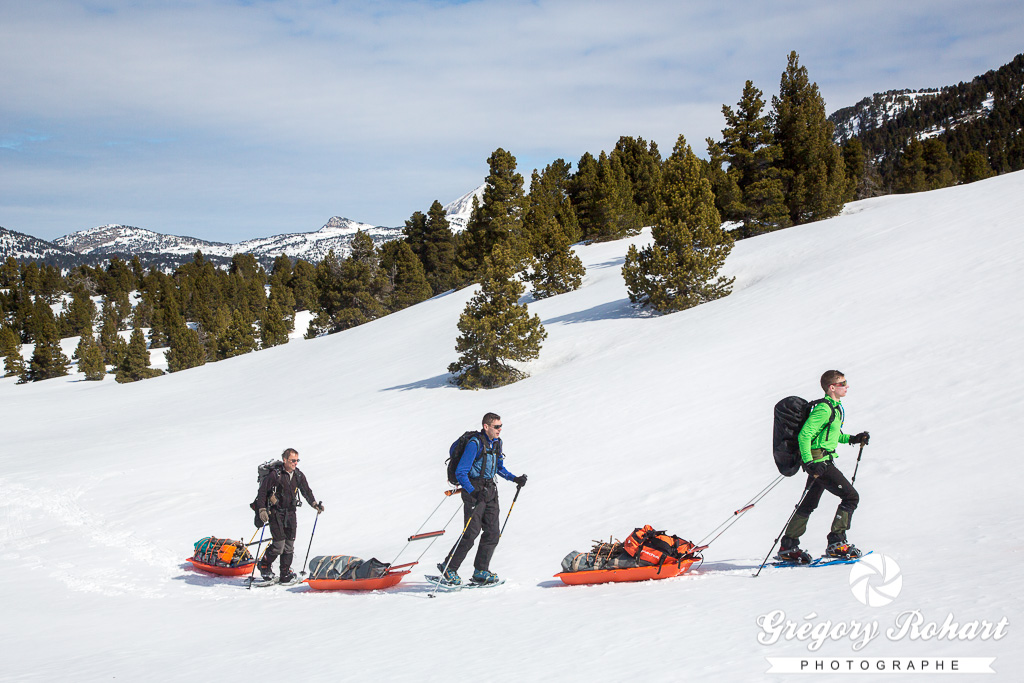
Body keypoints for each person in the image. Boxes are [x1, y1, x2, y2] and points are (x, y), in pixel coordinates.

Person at [777, 371, 870, 563]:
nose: (847, 386)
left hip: (822, 459)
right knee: (851, 497)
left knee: (809, 503)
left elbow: (831, 437)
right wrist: (810, 463)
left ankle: (789, 545)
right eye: (842, 383)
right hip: (819, 461)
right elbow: (805, 435)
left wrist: (853, 439)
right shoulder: (824, 409)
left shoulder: (835, 407)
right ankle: (837, 542)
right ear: (832, 387)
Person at [438, 412, 527, 585]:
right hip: (475, 491)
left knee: (493, 532)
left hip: (491, 491)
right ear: (486, 426)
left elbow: (499, 467)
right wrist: (472, 491)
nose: (500, 429)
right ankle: (448, 567)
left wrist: (514, 478)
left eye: (501, 426)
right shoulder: (475, 444)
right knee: (471, 533)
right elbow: (461, 472)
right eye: (496, 426)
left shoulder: (497, 443)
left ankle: (481, 570)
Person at [255, 448, 324, 583]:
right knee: (279, 545)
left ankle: (285, 574)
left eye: (297, 460)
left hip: (291, 513)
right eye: (293, 460)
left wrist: (314, 504)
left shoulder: (298, 475)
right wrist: (262, 509)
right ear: (285, 460)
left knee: (289, 545)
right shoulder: (275, 475)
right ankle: (264, 565)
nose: (295, 463)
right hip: (276, 512)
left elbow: (306, 491)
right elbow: (262, 492)